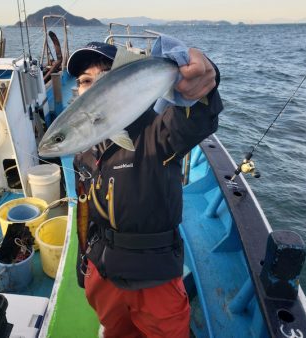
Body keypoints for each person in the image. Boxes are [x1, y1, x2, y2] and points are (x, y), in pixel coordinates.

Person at [69, 41, 223, 338]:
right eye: (85, 81)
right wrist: (83, 258)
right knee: (115, 331)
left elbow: (195, 120)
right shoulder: (84, 147)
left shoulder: (157, 130)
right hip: (103, 270)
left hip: (155, 277)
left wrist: (205, 81)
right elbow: (85, 209)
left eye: (104, 78)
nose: (92, 87)